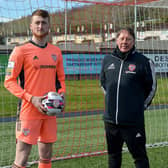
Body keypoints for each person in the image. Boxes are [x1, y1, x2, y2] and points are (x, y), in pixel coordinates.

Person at [4, 9, 66, 168]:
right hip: (28, 110)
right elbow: (9, 81)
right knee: (22, 158)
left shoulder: (56, 52)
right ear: (31, 26)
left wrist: (62, 95)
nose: (40, 26)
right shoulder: (20, 51)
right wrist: (32, 98)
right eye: (37, 23)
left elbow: (60, 80)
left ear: (49, 27)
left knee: (46, 156)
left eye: (44, 23)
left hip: (50, 110)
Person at [100, 27, 157, 168]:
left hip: (133, 122)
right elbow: (103, 83)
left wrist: (139, 107)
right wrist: (112, 102)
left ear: (134, 41)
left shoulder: (144, 62)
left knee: (140, 157)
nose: (124, 42)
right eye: (121, 38)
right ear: (116, 40)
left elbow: (152, 88)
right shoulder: (107, 60)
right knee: (113, 156)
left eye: (128, 39)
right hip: (111, 121)